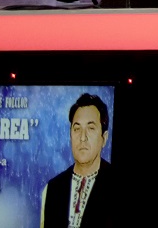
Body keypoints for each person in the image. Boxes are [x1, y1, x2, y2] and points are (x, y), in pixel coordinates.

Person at [39, 92, 116, 227]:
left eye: (90, 128)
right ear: (70, 135)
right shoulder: (53, 188)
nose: (82, 137)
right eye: (77, 129)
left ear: (104, 138)